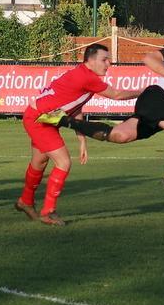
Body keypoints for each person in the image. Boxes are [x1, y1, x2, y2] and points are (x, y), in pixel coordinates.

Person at [37, 21, 164, 188]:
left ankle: (63, 120)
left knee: (119, 135)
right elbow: (148, 58)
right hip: (155, 96)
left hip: (162, 108)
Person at [17, 43, 143, 226]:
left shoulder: (83, 74)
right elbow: (116, 94)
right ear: (90, 61)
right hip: (39, 119)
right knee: (64, 162)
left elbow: (76, 110)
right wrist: (144, 92)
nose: (108, 64)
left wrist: (81, 140)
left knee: (40, 161)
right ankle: (48, 211)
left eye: (109, 60)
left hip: (45, 118)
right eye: (104, 60)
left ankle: (25, 202)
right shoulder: (86, 77)